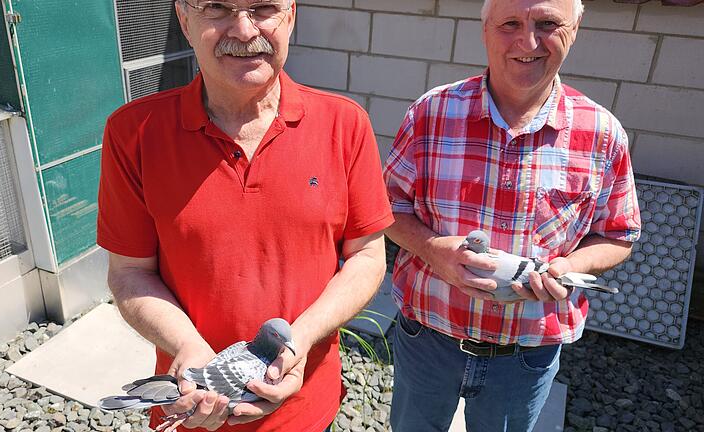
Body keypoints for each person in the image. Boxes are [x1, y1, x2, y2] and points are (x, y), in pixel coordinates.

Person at [96, 0, 394, 430]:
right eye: (216, 8)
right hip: (192, 408)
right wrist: (188, 348)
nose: (242, 29)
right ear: (183, 18)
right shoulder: (134, 134)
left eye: (263, 7)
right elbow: (128, 272)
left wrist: (300, 339)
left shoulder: (344, 125)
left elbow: (368, 256)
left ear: (290, 14)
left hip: (307, 409)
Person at [383, 0, 641, 430]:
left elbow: (619, 234)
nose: (528, 41)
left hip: (525, 354)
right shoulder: (433, 113)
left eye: (547, 23)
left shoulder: (602, 133)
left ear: (574, 28)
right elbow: (386, 207)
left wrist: (571, 266)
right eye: (510, 24)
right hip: (428, 336)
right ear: (485, 31)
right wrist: (432, 248)